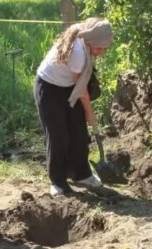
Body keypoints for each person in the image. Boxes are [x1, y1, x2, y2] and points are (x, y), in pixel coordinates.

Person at [34, 17, 113, 196]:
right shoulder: (78, 52)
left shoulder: (85, 35)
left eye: (105, 49)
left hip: (69, 86)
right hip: (49, 89)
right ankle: (57, 181)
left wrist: (85, 116)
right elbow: (82, 89)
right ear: (90, 40)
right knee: (58, 136)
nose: (101, 52)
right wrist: (90, 113)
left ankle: (82, 174)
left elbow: (78, 86)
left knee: (79, 133)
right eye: (99, 48)